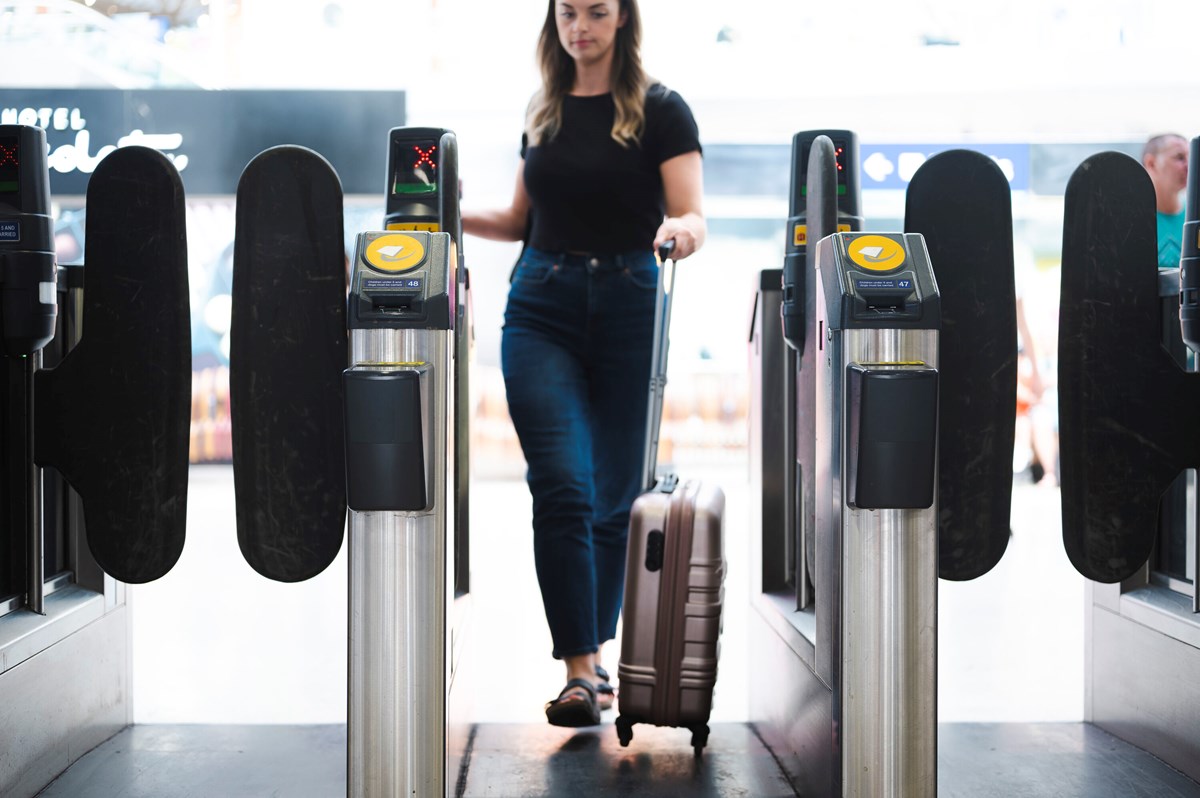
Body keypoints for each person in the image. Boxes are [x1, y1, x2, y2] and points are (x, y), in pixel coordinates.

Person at [462, 0, 705, 728]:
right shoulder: (545, 108)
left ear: (623, 20)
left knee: (613, 495)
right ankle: (578, 669)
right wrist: (443, 207)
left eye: (596, 12)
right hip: (542, 305)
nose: (580, 27)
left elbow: (692, 212)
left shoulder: (662, 110)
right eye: (568, 13)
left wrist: (681, 233)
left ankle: (594, 660)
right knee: (562, 484)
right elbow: (516, 220)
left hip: (632, 301)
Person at [1142, 133, 1190, 270]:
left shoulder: (1195, 216)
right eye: (1180, 158)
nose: (1189, 165)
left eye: (1190, 157)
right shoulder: (1132, 219)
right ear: (1151, 163)